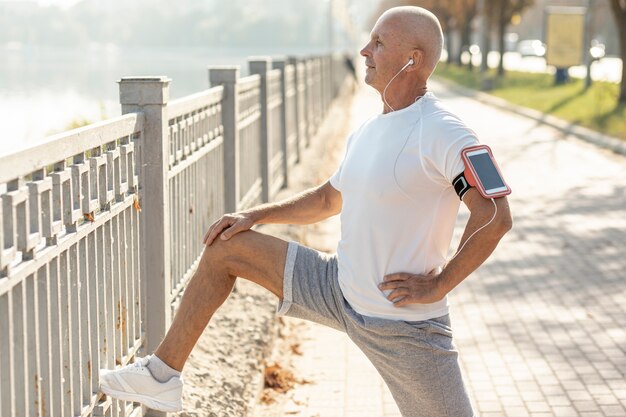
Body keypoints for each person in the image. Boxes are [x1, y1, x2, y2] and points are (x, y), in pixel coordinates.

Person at [99, 6, 512, 417]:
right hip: (337, 288)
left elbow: (495, 216)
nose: (365, 50)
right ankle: (161, 376)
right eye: (369, 40)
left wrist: (439, 284)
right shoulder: (369, 130)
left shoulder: (444, 131)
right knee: (226, 247)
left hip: (403, 325)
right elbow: (328, 199)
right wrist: (255, 216)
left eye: (379, 43)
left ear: (413, 60)